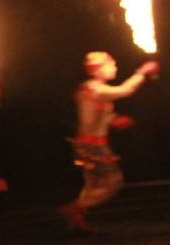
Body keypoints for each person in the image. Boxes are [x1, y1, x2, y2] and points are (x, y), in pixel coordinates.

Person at [60, 52, 158, 230]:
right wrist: (142, 73)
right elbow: (124, 91)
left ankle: (76, 220)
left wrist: (114, 120)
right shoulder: (95, 89)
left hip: (89, 146)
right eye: (111, 65)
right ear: (98, 70)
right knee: (113, 181)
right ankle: (75, 208)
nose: (115, 68)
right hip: (92, 147)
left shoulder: (93, 89)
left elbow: (94, 115)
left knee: (94, 184)